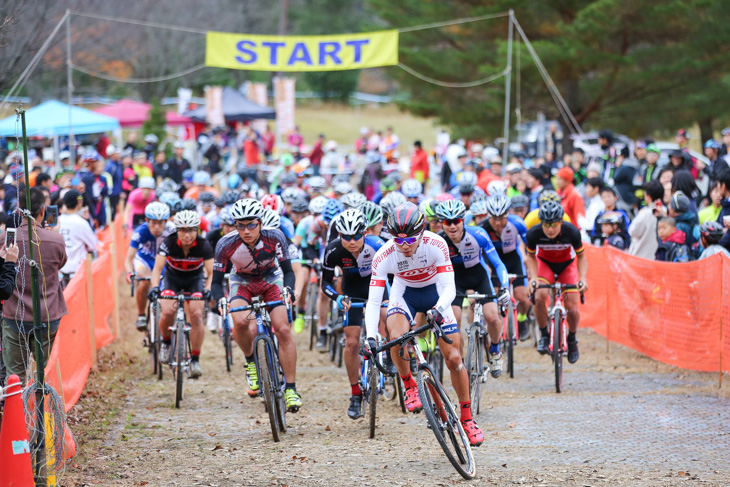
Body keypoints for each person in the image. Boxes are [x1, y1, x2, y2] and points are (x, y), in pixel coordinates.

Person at [364, 202, 485, 446]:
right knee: (395, 337)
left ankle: (467, 417)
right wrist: (369, 336)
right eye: (399, 242)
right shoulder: (384, 255)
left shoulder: (435, 243)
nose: (405, 247)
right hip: (404, 294)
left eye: (410, 240)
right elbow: (374, 301)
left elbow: (450, 287)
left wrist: (440, 310)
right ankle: (408, 383)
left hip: (436, 294)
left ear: (420, 233)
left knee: (454, 359)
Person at [211, 199, 302, 411]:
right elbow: (216, 282)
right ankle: (251, 362)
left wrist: (288, 289)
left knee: (282, 329)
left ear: (260, 223)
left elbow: (288, 271)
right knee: (240, 321)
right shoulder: (225, 244)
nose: (246, 231)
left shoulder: (275, 237)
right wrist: (221, 300)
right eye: (240, 225)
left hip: (271, 279)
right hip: (242, 282)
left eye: (251, 224)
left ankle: (290, 388)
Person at [321, 209, 389, 419]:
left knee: (388, 317)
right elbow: (325, 282)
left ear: (364, 233)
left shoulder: (377, 245)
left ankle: (392, 358)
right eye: (346, 237)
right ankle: (355, 394)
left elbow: (394, 275)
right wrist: (337, 298)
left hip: (377, 287)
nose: (352, 241)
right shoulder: (333, 250)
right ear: (339, 235)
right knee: (351, 343)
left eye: (357, 236)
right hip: (351, 290)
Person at [437, 199, 510, 377]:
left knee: (492, 316)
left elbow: (498, 264)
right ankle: (460, 361)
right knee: (454, 319)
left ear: (463, 220)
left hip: (479, 276)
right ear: (442, 224)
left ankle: (494, 349)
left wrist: (505, 287)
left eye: (456, 221)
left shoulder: (478, 234)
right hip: (454, 281)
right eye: (447, 222)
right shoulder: (438, 241)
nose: (452, 226)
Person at [2, 188, 67, 385]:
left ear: (18, 211)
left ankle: (18, 414)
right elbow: (61, 264)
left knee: (14, 377)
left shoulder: (6, 239)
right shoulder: (56, 240)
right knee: (45, 374)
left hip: (15, 317)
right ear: (43, 210)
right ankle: (42, 412)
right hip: (48, 315)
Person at [148, 210, 213, 379]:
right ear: (176, 230)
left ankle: (195, 359)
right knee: (168, 311)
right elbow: (156, 269)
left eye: (191, 230)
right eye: (183, 230)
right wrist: (155, 287)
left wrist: (208, 289)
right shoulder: (168, 243)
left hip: (194, 280)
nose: (187, 234)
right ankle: (166, 342)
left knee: (197, 314)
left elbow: (212, 273)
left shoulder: (203, 245)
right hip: (172, 279)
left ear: (197, 230)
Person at [525, 201, 587, 363]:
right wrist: (532, 278)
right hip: (545, 264)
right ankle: (544, 335)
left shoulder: (572, 232)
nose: (550, 229)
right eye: (546, 225)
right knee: (539, 296)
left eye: (554, 224)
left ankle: (572, 339)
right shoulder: (533, 233)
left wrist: (582, 279)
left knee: (572, 308)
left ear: (561, 222)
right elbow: (530, 257)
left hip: (567, 265)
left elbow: (581, 257)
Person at [480, 195, 532, 340]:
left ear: (508, 214)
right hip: (493, 262)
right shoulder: (483, 227)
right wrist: (485, 267)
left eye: (501, 218)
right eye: (494, 218)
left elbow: (530, 246)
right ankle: (496, 327)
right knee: (495, 296)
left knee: (522, 296)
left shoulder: (518, 223)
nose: (497, 222)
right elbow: (479, 251)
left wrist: (529, 265)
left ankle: (521, 319)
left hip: (513, 260)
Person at [124, 202, 175, 330]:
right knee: (145, 281)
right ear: (146, 220)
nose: (157, 227)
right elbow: (129, 259)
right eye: (153, 222)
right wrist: (130, 272)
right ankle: (141, 315)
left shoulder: (172, 230)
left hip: (163, 262)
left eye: (161, 223)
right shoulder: (140, 231)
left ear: (166, 221)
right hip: (145, 261)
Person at [58, 189, 98, 277]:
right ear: (79, 202)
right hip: (77, 270)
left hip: (61, 268)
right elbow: (93, 245)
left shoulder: (58, 220)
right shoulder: (81, 222)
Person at [628, 180, 664, 259]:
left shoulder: (645, 213)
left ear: (648, 196)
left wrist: (639, 215)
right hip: (661, 258)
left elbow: (633, 231)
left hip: (643, 257)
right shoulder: (665, 211)